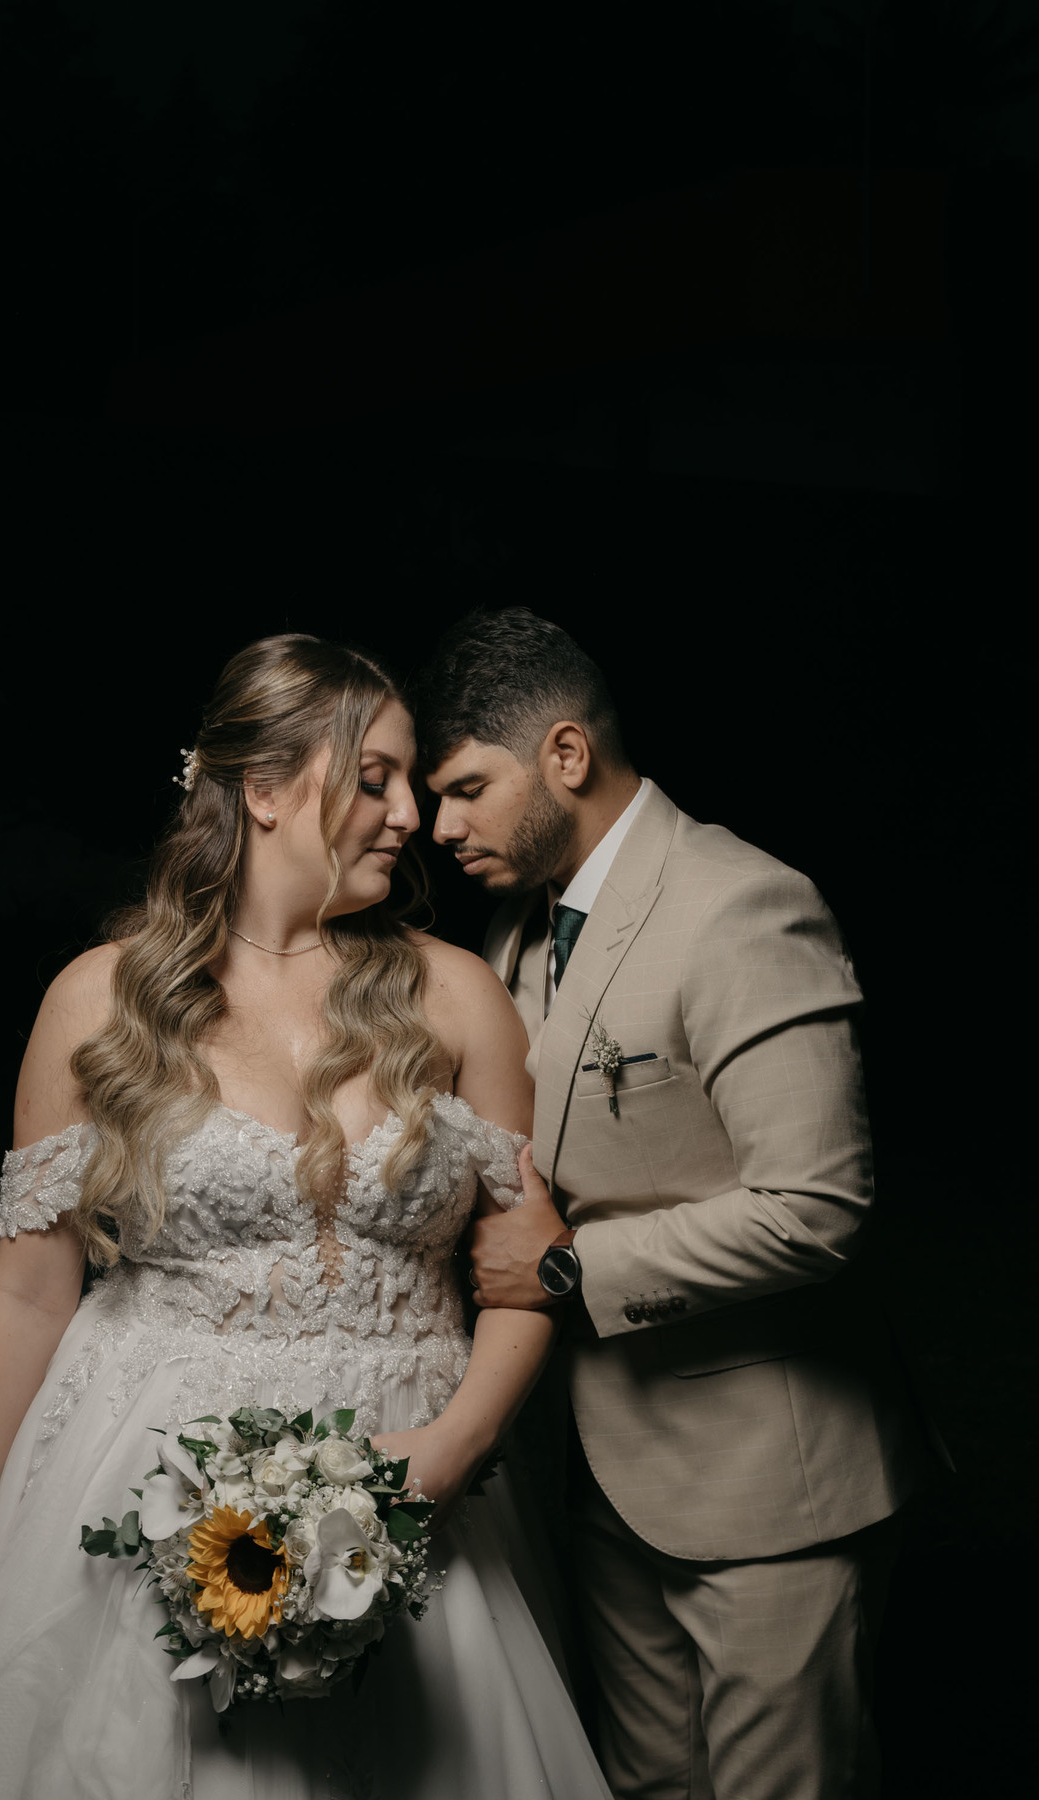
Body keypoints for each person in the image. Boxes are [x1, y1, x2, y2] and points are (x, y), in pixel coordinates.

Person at [0, 634, 613, 1800]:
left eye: (410, 783)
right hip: (134, 1469)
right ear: (262, 790)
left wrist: (449, 1454)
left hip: (410, 1477)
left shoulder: (458, 995)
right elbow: (28, 1293)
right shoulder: (100, 1001)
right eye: (374, 779)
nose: (411, 815)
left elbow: (522, 1272)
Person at [414, 608, 941, 1800]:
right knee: (647, 1783)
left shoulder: (742, 905)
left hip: (769, 1481)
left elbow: (815, 1205)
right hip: (597, 1470)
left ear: (565, 753)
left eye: (467, 790)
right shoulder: (512, 929)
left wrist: (567, 1271)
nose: (440, 828)